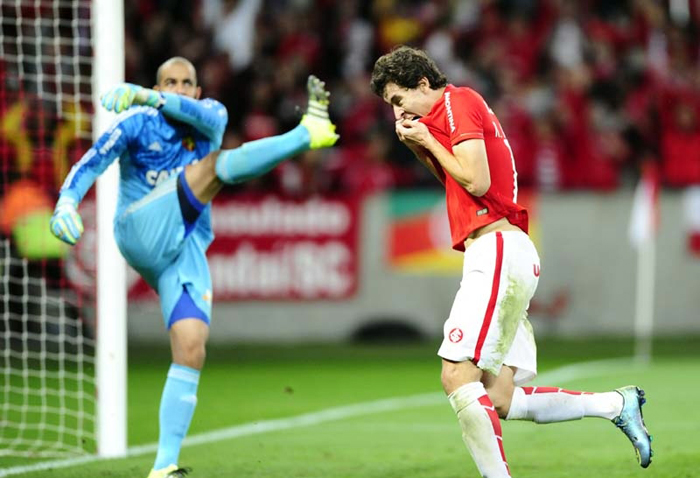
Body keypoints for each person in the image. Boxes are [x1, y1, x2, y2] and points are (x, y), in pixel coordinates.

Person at [370, 46, 652, 477]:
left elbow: (477, 180)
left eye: (398, 99)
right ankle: (615, 404)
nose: (398, 111)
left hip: (496, 248)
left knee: (456, 376)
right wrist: (419, 147)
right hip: (507, 250)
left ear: (422, 84)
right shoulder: (448, 113)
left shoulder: (458, 101)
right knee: (500, 398)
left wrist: (426, 139)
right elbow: (458, 182)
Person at [49, 56, 338, 478]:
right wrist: (66, 202)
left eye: (187, 83)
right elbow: (92, 160)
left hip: (183, 248)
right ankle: (305, 134)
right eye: (170, 82)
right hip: (140, 229)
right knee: (214, 166)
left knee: (191, 346)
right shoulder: (136, 124)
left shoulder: (211, 117)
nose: (179, 89)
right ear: (159, 84)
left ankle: (164, 465)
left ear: (198, 91)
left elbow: (196, 113)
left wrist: (148, 94)